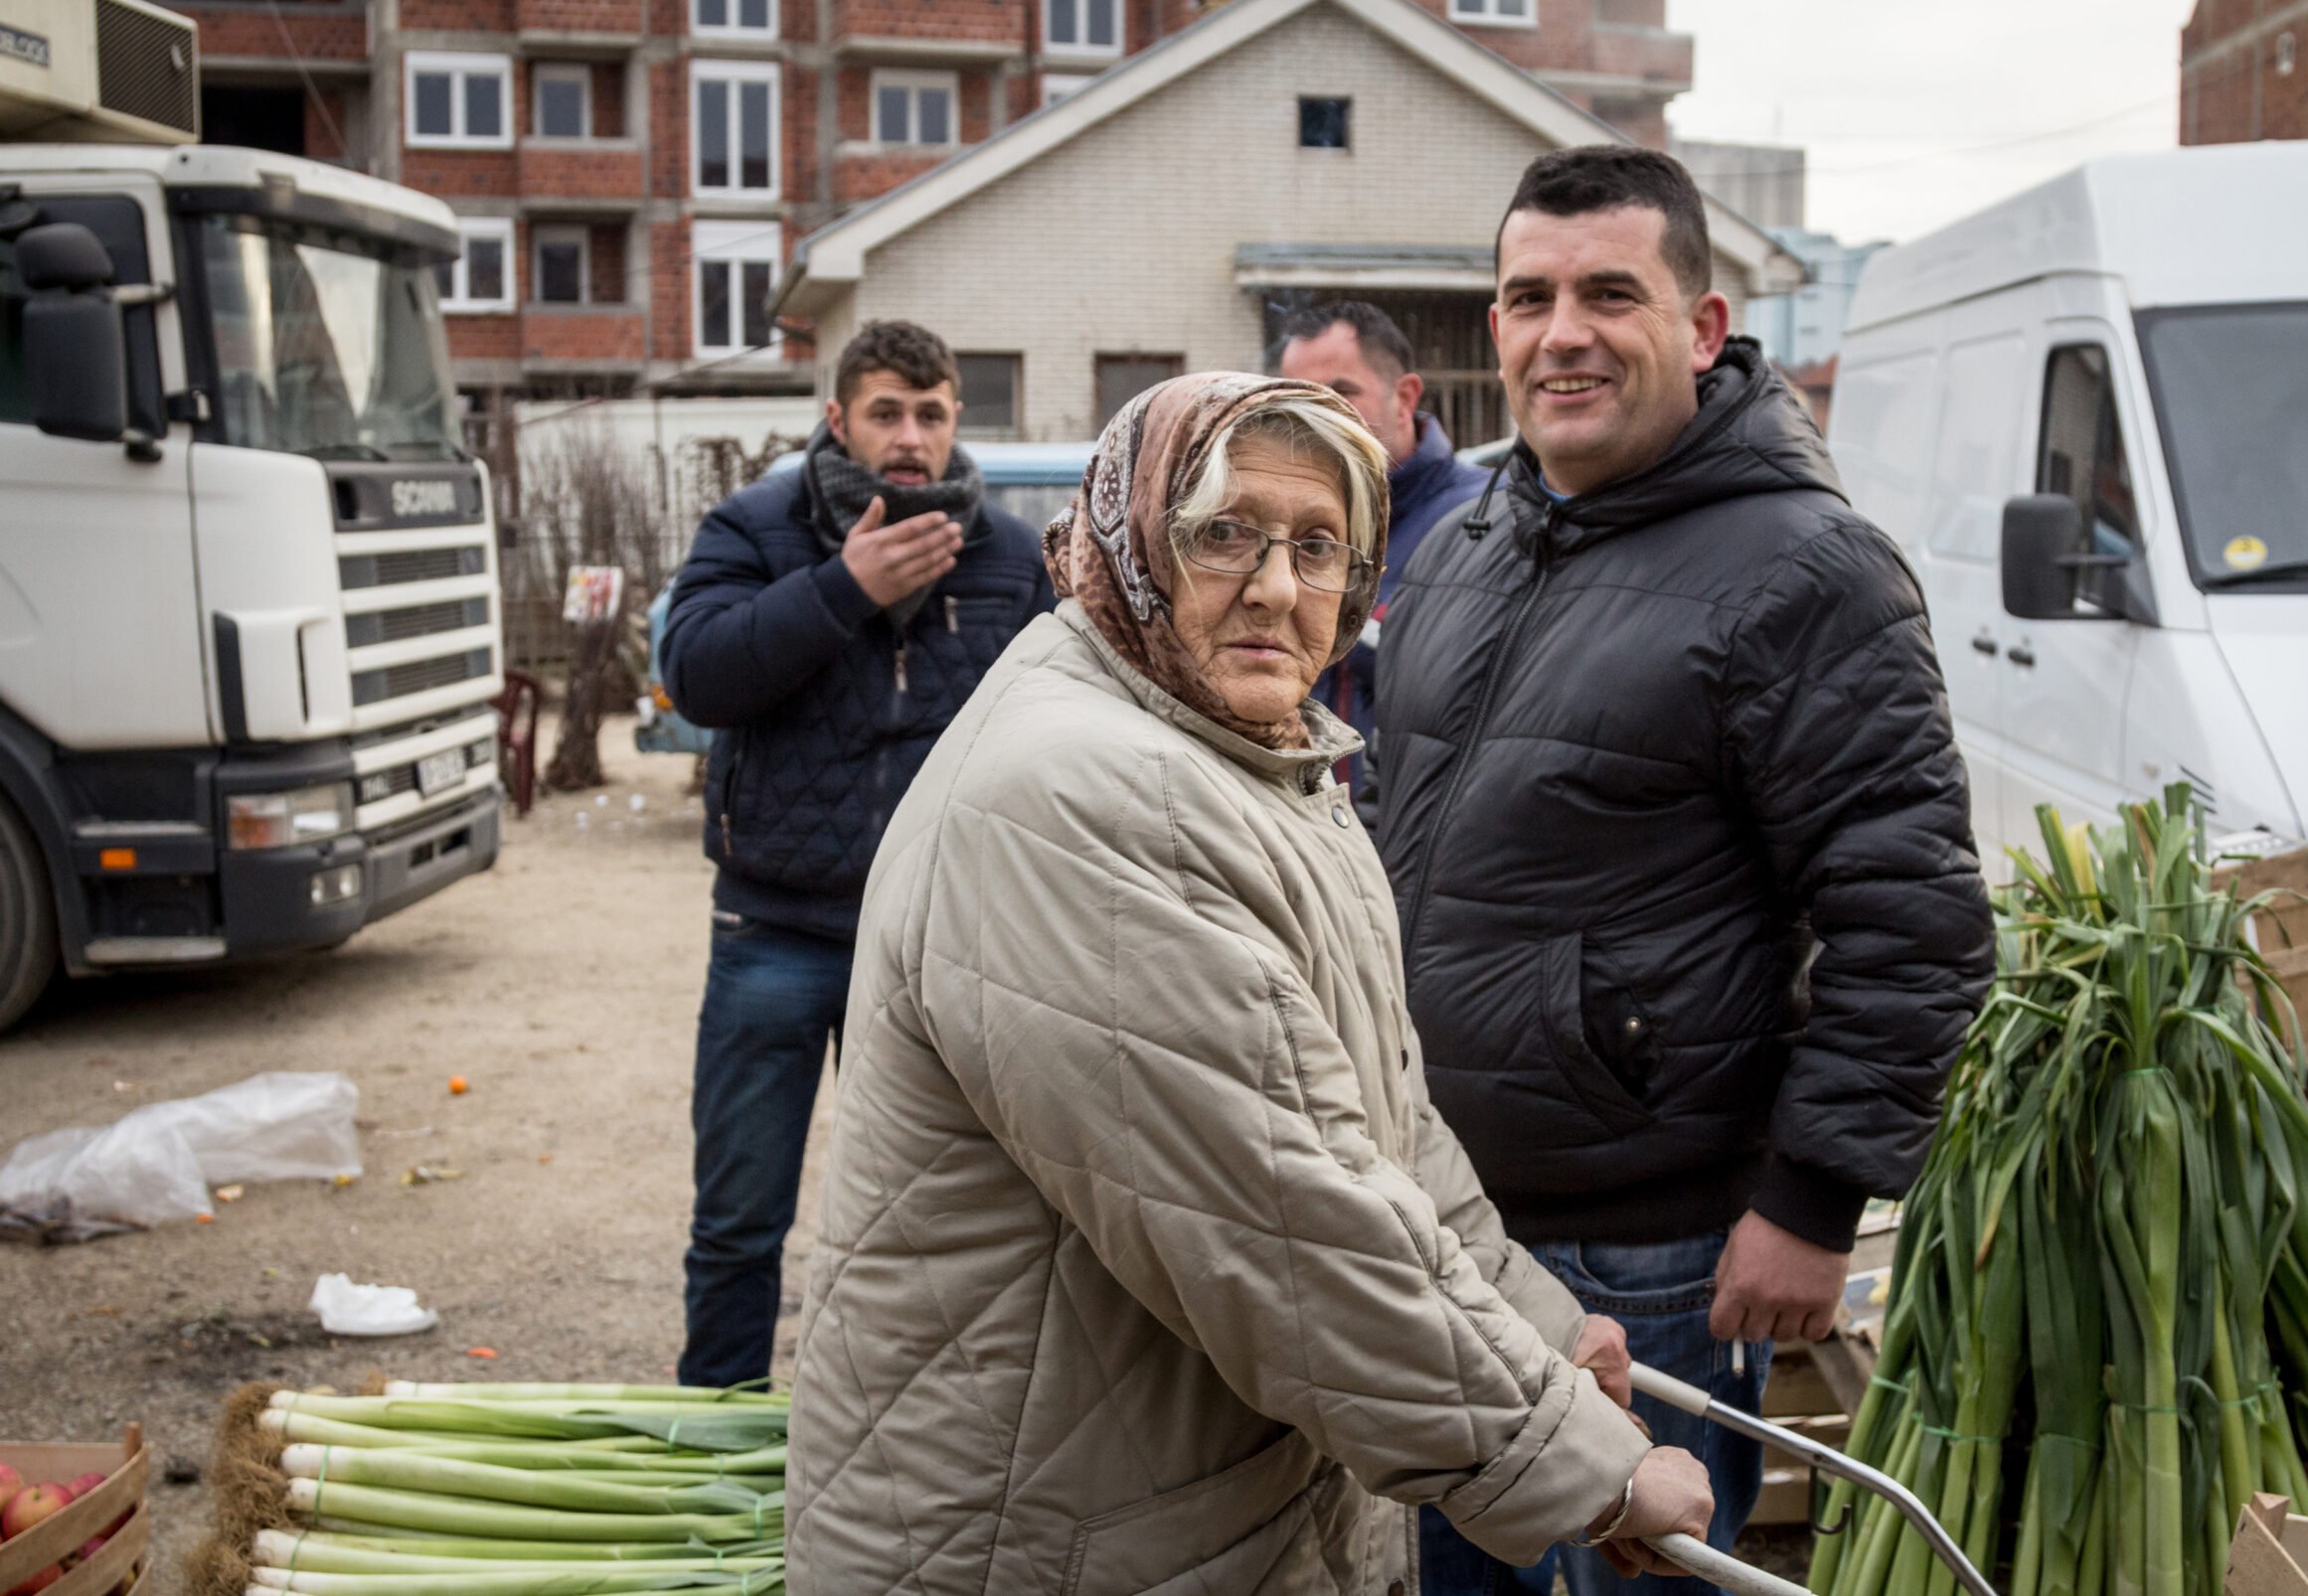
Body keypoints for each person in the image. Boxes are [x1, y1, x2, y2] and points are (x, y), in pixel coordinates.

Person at [784, 373, 1715, 1594]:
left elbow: (1372, 1129)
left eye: (1320, 546)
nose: (1278, 585)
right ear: (1126, 543)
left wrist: (1543, 1330)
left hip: (1154, 1507)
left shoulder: (1243, 759)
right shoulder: (1073, 794)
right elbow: (1279, 1215)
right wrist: (1570, 1460)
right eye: (1224, 532)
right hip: (1035, 1540)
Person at [1376, 147, 1997, 1595]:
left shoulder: (1807, 570)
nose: (1563, 331)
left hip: (1642, 1249)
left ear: (1704, 327)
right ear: (1495, 329)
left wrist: (1812, 1195)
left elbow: (1914, 919)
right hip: (1448, 1220)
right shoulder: (1466, 544)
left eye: (1611, 292)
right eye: (1529, 297)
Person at [657, 319, 1057, 1387]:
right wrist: (844, 588)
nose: (910, 437)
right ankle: (717, 1439)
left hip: (937, 938)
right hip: (772, 934)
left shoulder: (1011, 556)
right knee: (739, 1220)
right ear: (837, 419)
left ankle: (898, 1456)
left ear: (956, 420)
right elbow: (695, 678)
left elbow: (1063, 724)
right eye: (886, 411)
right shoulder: (756, 526)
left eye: (931, 413)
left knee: (931, 1233)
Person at [1273, 301, 1488, 797]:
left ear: (1405, 397)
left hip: (1410, 834)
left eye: (1342, 393)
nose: (1315, 416)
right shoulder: (1278, 529)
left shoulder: (1484, 519)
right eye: (1298, 397)